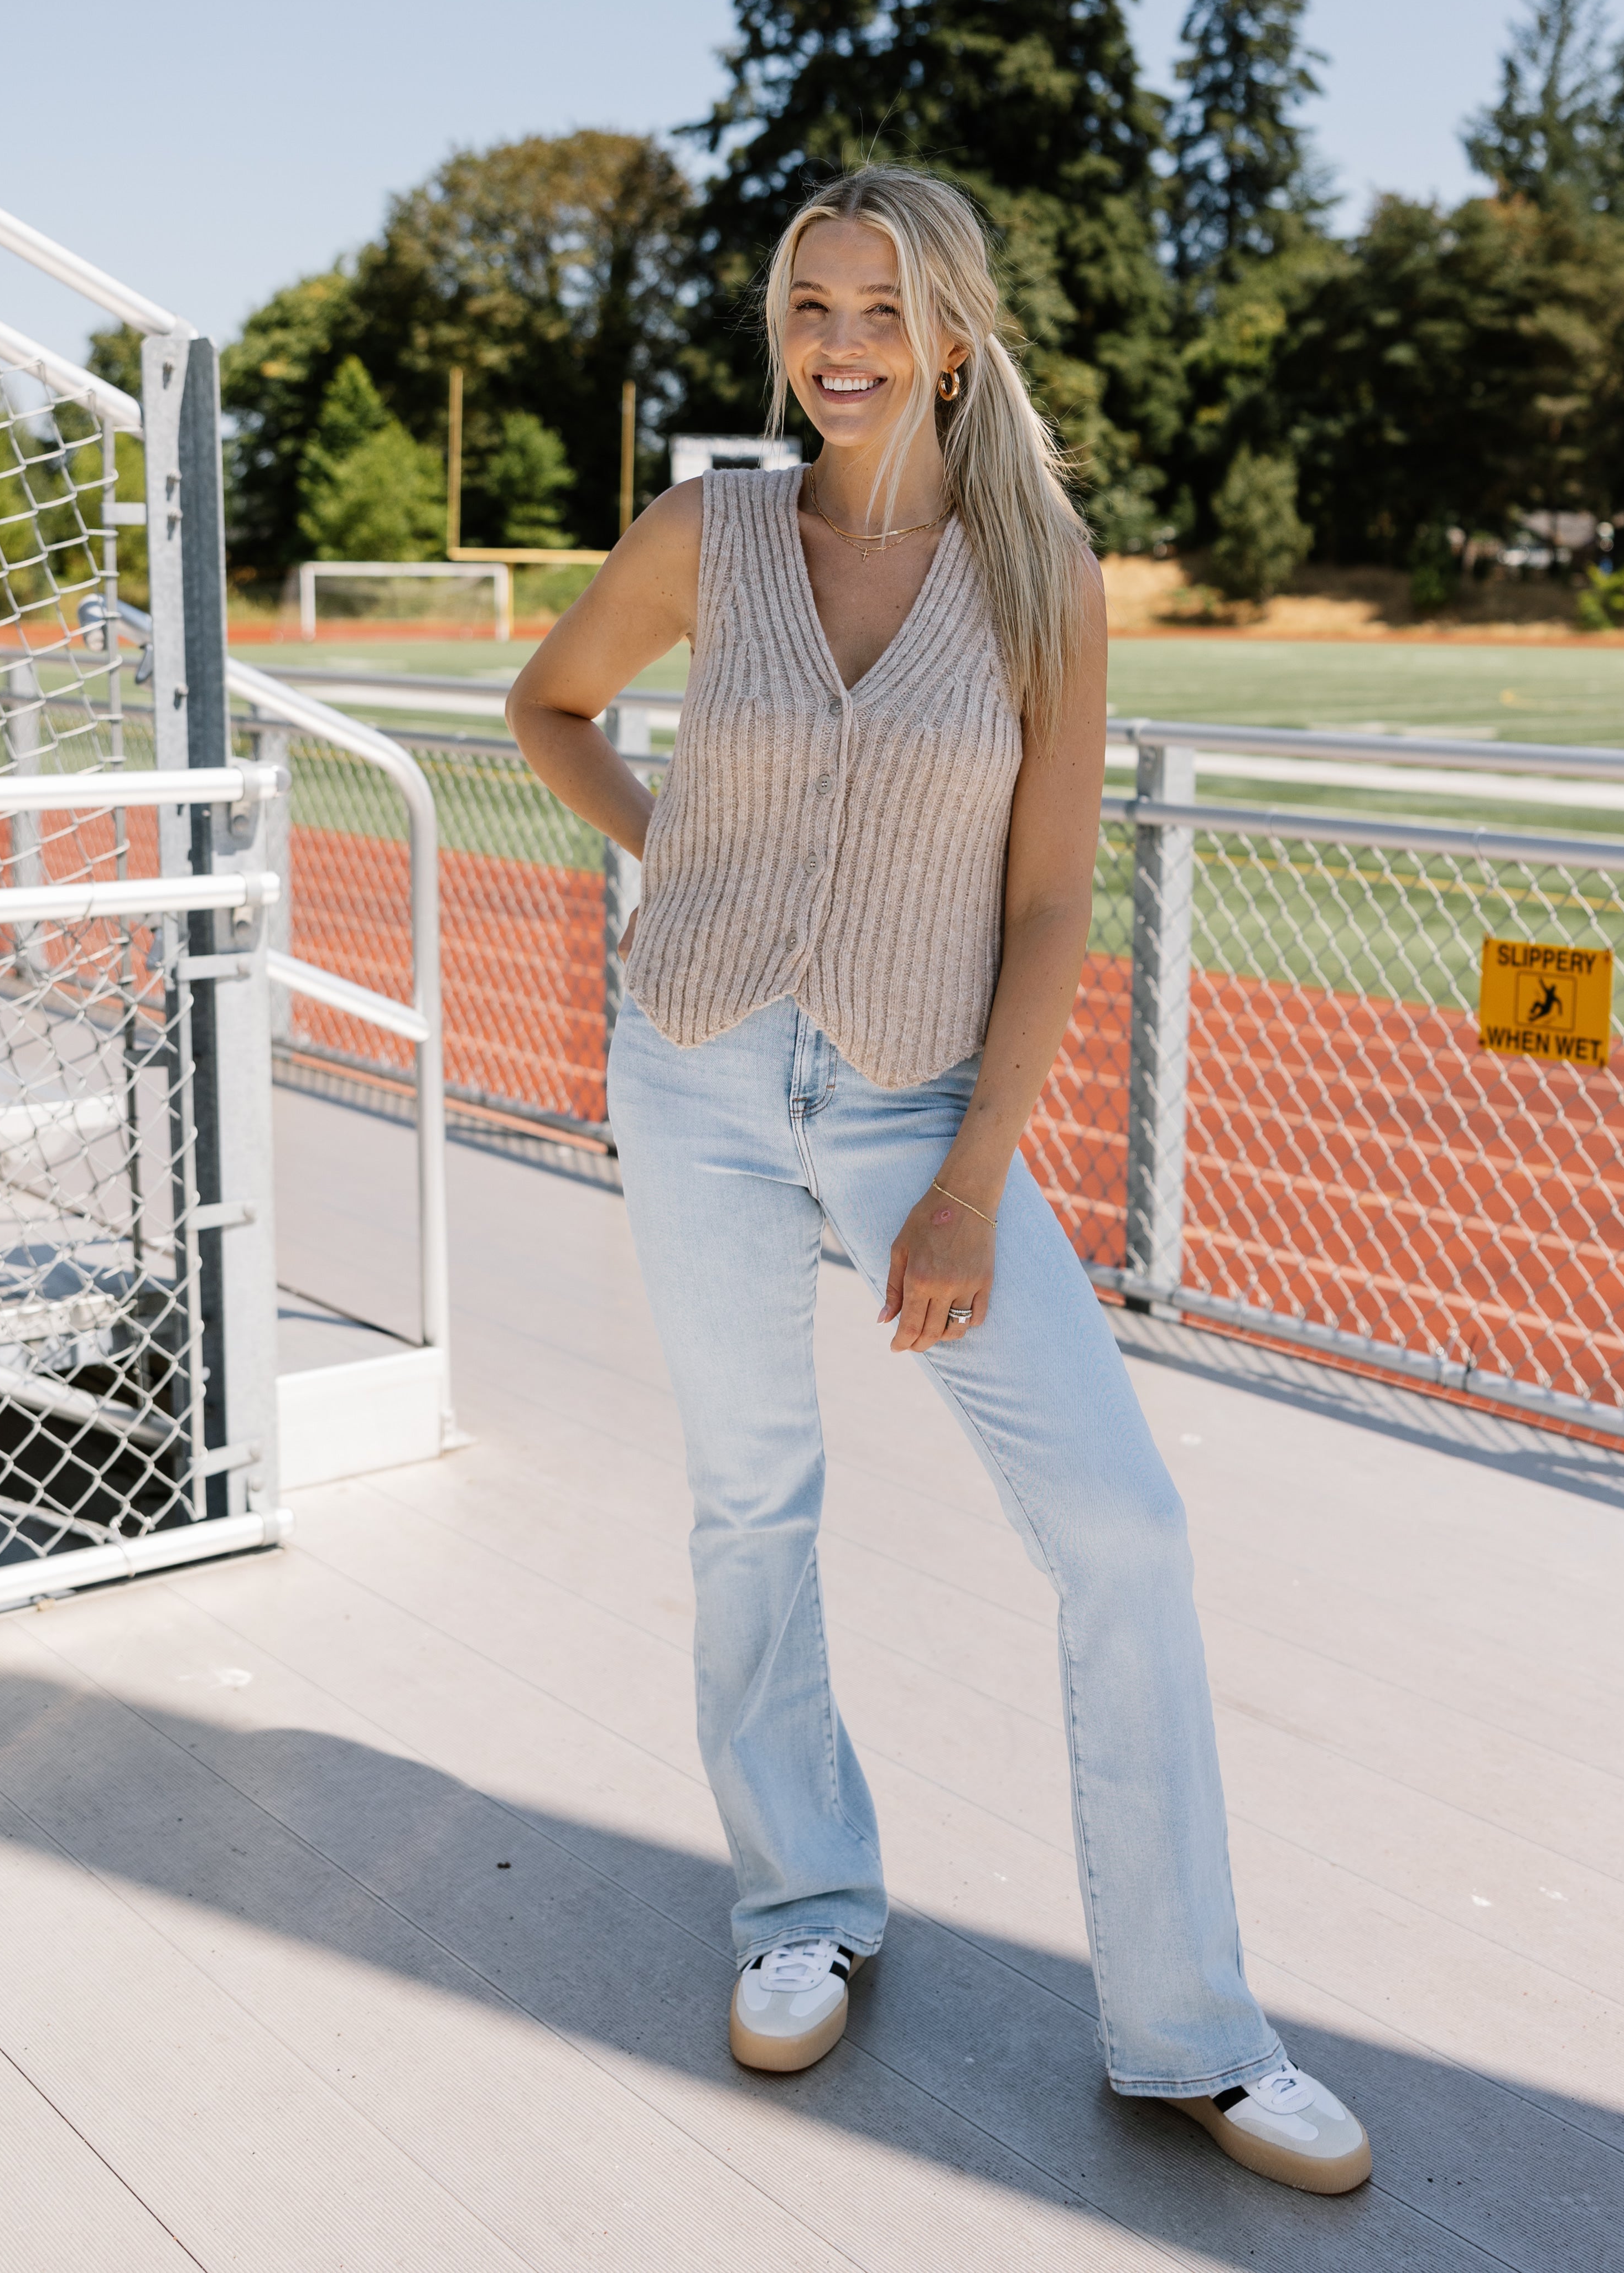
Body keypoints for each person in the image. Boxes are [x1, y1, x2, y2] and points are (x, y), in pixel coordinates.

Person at [507, 164, 1371, 2197]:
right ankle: (797, 1901)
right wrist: (677, 867)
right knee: (751, 1499)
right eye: (807, 306)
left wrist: (973, 1180)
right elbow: (544, 708)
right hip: (698, 1075)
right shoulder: (708, 534)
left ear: (955, 332)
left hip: (921, 1109)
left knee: (1123, 1532)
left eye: (876, 308)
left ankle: (1190, 2032)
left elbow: (1058, 899)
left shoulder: (1039, 570)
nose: (834, 345)